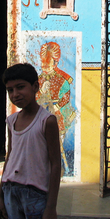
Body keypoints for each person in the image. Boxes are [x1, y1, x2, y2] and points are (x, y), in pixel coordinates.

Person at [0, 63, 61, 219]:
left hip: (35, 195)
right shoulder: (11, 121)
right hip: (10, 191)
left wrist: (51, 207)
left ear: (35, 87)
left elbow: (56, 164)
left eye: (20, 87)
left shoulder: (47, 121)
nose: (15, 94)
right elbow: (10, 158)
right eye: (10, 90)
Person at [36, 42, 76, 175]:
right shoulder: (39, 80)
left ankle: (58, 169)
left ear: (55, 63)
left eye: (47, 65)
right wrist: (41, 91)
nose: (44, 68)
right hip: (42, 115)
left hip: (59, 116)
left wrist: (56, 107)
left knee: (56, 145)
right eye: (43, 65)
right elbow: (36, 97)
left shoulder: (62, 81)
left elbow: (65, 97)